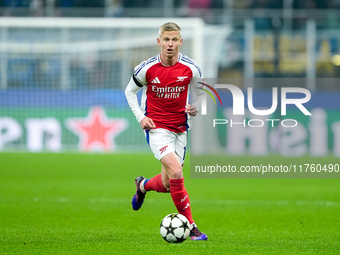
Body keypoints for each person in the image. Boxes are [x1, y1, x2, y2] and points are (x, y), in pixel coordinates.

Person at [125, 22, 207, 241]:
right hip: (157, 128)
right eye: (166, 39)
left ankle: (142, 186)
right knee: (177, 173)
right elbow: (129, 91)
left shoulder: (191, 68)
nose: (170, 44)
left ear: (181, 42)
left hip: (180, 128)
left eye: (174, 40)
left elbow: (200, 93)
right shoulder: (147, 68)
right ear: (159, 41)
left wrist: (195, 107)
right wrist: (141, 117)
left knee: (169, 183)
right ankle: (192, 228)